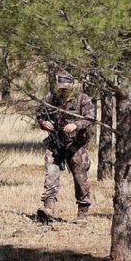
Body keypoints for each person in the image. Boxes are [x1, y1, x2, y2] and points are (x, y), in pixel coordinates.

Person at [36, 73, 95, 224]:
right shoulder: (51, 98)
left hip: (76, 145)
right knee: (51, 173)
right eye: (61, 88)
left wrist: (76, 124)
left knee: (80, 177)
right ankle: (48, 208)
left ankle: (82, 212)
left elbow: (90, 117)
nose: (63, 91)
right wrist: (43, 122)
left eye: (66, 88)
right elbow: (40, 113)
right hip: (56, 143)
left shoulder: (83, 99)